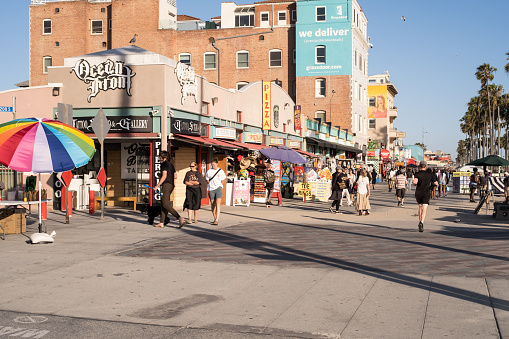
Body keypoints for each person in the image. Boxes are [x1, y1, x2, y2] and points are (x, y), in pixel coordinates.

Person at [153, 151, 186, 228]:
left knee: (165, 204)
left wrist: (157, 186)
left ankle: (179, 217)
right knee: (163, 203)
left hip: (166, 185)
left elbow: (164, 176)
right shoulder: (171, 165)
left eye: (160, 156)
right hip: (171, 185)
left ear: (163, 157)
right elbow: (175, 176)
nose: (159, 158)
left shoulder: (164, 164)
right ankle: (161, 222)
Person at [413, 161, 437, 232]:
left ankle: (419, 221)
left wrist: (416, 183)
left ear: (420, 166)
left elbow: (415, 182)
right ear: (426, 166)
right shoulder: (430, 174)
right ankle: (422, 222)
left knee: (420, 206)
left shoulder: (417, 174)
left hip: (418, 192)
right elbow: (436, 182)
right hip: (426, 192)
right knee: (425, 208)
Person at [205, 158, 226, 225]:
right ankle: (215, 217)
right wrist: (210, 183)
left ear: (217, 164)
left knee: (218, 203)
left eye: (214, 164)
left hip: (218, 188)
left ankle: (217, 219)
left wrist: (220, 185)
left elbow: (223, 179)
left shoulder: (221, 171)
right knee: (212, 204)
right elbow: (207, 179)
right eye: (212, 165)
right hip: (211, 189)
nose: (213, 166)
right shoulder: (209, 171)